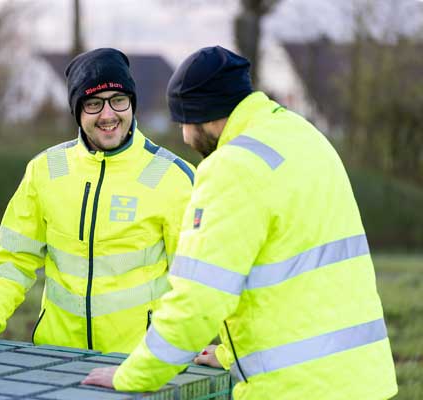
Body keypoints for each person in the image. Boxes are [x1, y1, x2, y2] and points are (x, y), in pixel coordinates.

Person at [83, 46, 398, 399]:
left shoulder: (232, 167)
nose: (185, 137)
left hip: (295, 389)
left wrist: (135, 375)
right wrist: (231, 352)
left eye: (184, 122)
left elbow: (198, 299)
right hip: (363, 379)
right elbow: (291, 268)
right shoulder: (303, 136)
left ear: (200, 114)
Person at [0, 48, 195, 353]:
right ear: (77, 111)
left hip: (140, 362)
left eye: (118, 100)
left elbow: (199, 279)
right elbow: (15, 258)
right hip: (55, 358)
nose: (108, 115)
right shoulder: (45, 170)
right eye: (94, 103)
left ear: (132, 103)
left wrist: (212, 347)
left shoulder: (173, 176)